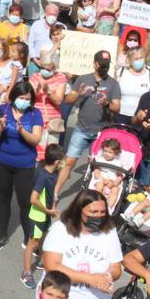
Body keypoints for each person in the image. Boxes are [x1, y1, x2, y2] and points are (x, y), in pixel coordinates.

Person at [55, 50, 121, 196]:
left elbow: (117, 107)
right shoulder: (83, 79)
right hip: (81, 129)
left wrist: (107, 104)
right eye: (102, 65)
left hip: (101, 133)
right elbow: (68, 100)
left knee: (98, 168)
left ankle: (92, 196)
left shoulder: (113, 84)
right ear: (95, 63)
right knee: (69, 162)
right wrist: (79, 92)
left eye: (107, 65)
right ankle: (55, 193)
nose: (105, 68)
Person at [0, 82, 44, 250]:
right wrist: (0, 125)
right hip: (1, 161)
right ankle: (3, 233)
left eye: (27, 99)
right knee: (3, 197)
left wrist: (22, 131)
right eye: (21, 98)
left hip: (24, 164)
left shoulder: (35, 114)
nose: (23, 101)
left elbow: (36, 139)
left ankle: (28, 236)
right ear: (13, 97)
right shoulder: (2, 110)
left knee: (24, 201)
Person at [21, 144, 63, 288]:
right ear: (57, 161)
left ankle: (43, 262)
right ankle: (26, 273)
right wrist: (48, 210)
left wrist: (53, 207)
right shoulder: (43, 176)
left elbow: (52, 193)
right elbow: (34, 198)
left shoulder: (54, 173)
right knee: (32, 243)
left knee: (43, 239)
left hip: (46, 214)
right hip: (38, 215)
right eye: (61, 161)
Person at [116, 48, 150, 125]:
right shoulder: (121, 72)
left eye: (141, 58)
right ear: (130, 60)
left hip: (140, 117)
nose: (139, 61)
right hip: (120, 114)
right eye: (136, 59)